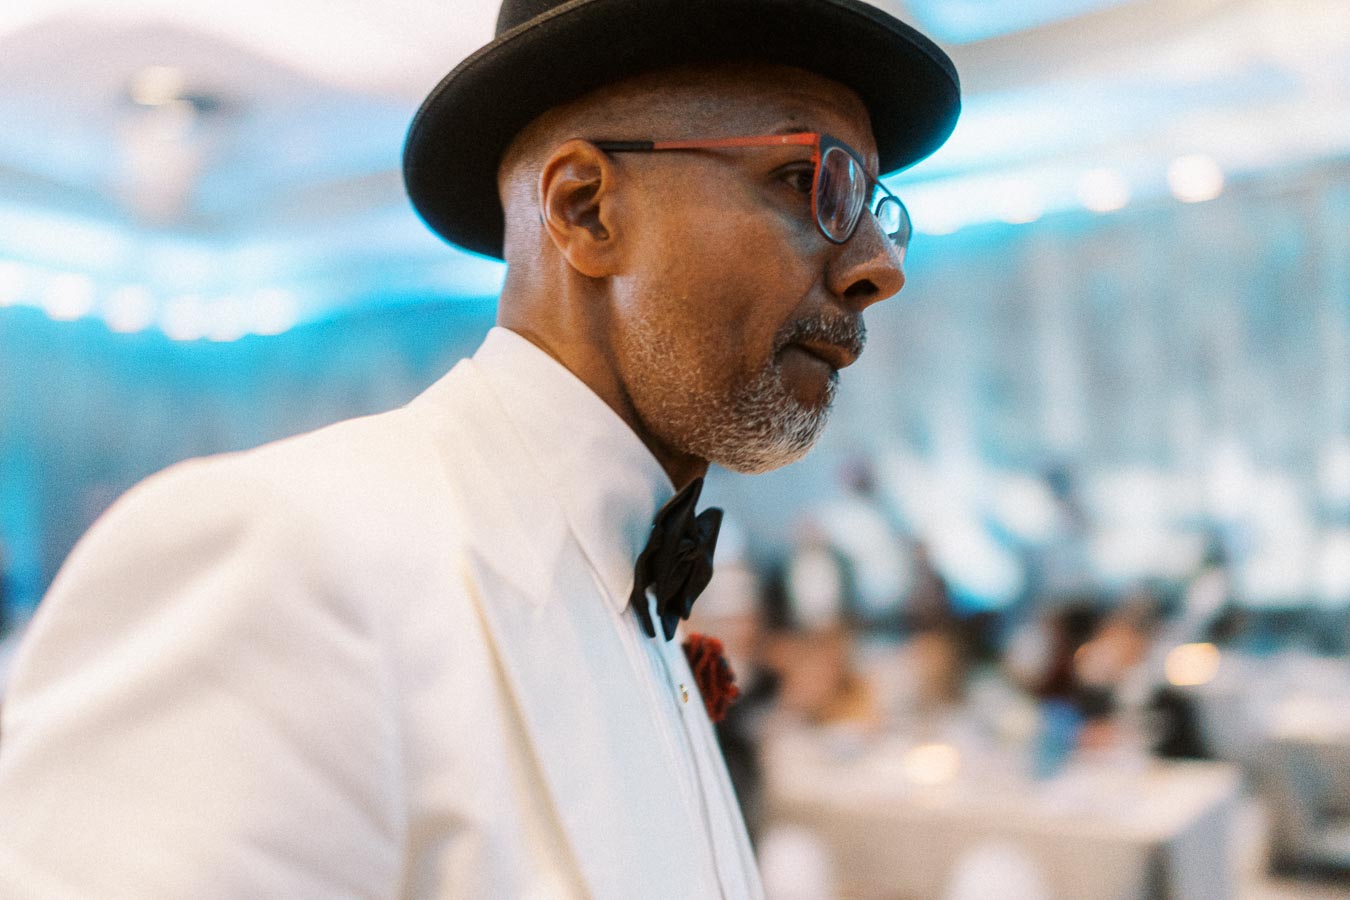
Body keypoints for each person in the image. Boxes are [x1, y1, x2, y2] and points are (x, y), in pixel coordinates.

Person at [0, 0, 959, 896]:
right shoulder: (282, 558)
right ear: (585, 209)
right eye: (810, 181)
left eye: (876, 207)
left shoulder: (651, 605)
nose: (878, 266)